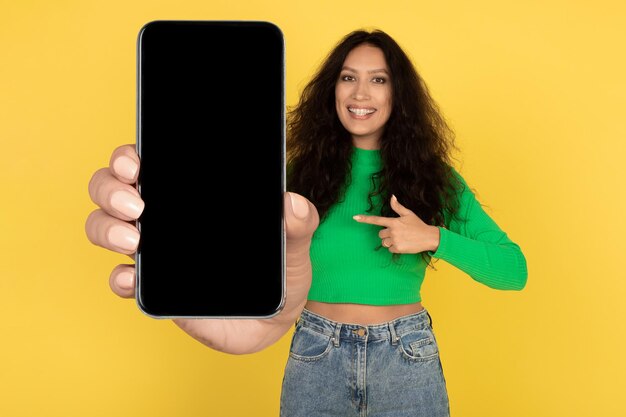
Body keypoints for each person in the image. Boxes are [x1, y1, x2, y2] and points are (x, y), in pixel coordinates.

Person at [86, 28, 527, 417]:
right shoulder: (294, 174)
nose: (360, 94)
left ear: (398, 94)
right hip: (318, 350)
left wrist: (432, 237)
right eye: (348, 78)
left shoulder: (436, 180)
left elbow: (514, 270)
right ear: (331, 89)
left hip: (407, 355)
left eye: (378, 80)